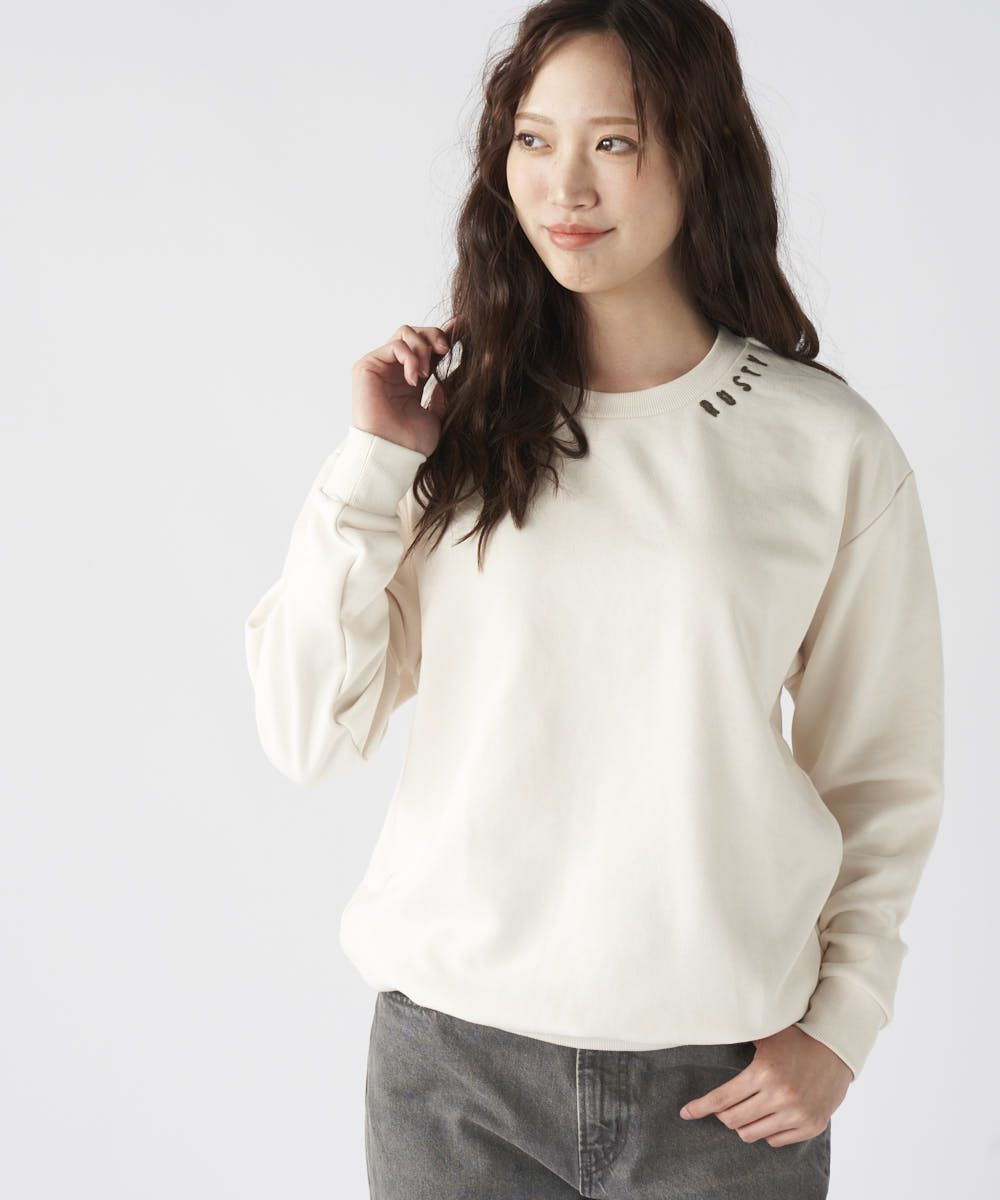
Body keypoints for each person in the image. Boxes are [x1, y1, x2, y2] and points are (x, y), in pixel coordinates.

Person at [243, 1, 944, 1196]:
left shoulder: (826, 445)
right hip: (453, 1079)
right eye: (533, 139)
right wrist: (372, 464)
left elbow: (880, 771)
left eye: (613, 142)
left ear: (700, 155)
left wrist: (843, 1023)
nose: (564, 185)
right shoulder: (451, 427)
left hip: (725, 1091)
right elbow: (307, 730)